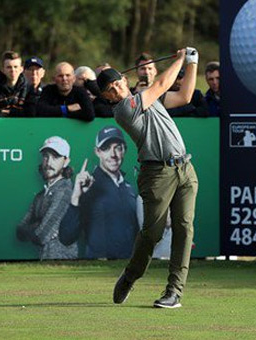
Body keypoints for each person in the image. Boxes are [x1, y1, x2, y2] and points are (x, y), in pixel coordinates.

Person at [98, 47, 199, 309]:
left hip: (185, 170)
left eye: (118, 82)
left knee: (184, 229)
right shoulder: (124, 109)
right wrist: (180, 58)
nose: (117, 88)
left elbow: (185, 96)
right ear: (108, 96)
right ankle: (131, 275)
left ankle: (174, 291)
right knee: (152, 234)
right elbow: (162, 83)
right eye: (111, 88)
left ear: (124, 80)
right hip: (157, 174)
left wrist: (193, 63)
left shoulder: (149, 99)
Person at [59, 126, 140, 259]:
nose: (113, 154)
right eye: (106, 148)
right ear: (97, 152)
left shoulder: (129, 187)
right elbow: (66, 237)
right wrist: (76, 197)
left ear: (124, 150)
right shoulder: (86, 186)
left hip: (127, 267)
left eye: (118, 147)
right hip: (99, 270)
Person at [16, 136, 78, 260]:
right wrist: (39, 226)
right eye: (46, 156)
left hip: (63, 264)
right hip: (45, 261)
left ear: (66, 161)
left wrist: (35, 227)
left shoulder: (65, 191)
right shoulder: (40, 195)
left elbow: (42, 235)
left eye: (55, 157)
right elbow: (19, 232)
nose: (49, 163)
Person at [0, 51, 28, 117]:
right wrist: (16, 112)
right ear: (3, 69)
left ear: (21, 69)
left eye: (15, 67)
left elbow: (29, 113)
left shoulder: (28, 88)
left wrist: (6, 112)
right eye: (9, 67)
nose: (13, 70)